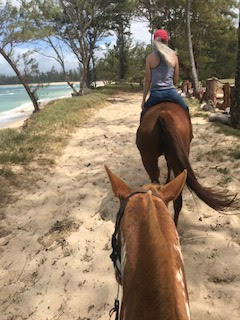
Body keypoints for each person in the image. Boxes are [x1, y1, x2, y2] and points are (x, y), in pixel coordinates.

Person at [141, 29, 189, 119]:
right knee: (185, 109)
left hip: (155, 94)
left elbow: (148, 81)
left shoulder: (150, 58)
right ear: (167, 41)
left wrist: (144, 100)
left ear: (155, 42)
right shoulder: (174, 57)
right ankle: (190, 133)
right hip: (171, 92)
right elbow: (175, 80)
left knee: (144, 114)